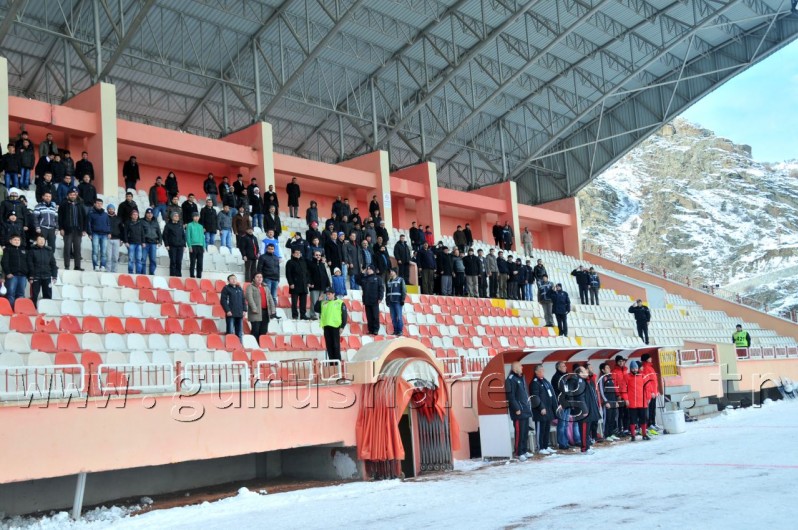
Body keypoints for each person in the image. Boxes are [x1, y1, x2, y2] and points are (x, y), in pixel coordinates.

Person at [505, 361, 533, 461]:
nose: (522, 367)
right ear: (515, 368)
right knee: (519, 432)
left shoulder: (521, 378)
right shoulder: (510, 379)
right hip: (518, 411)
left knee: (525, 432)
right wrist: (516, 408)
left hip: (525, 409)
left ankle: (524, 450)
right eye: (520, 366)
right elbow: (510, 396)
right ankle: (518, 452)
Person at [530, 365, 557, 455]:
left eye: (543, 370)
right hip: (540, 411)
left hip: (548, 409)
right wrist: (541, 407)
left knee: (546, 429)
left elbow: (551, 394)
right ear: (536, 372)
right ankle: (540, 447)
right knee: (540, 430)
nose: (543, 372)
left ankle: (545, 446)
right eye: (541, 370)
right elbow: (535, 397)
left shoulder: (545, 381)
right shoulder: (535, 382)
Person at [573, 365, 601, 454]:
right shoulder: (579, 381)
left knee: (587, 429)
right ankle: (584, 448)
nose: (586, 371)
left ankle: (587, 446)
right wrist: (584, 410)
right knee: (584, 430)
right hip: (584, 411)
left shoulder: (584, 381)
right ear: (580, 373)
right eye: (584, 370)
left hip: (588, 409)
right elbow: (580, 397)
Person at [57, 188, 86, 270]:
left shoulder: (80, 204)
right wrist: (61, 228)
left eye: (74, 195)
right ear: (68, 196)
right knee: (67, 248)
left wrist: (84, 229)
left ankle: (77, 266)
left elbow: (84, 217)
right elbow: (60, 218)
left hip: (78, 230)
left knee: (77, 249)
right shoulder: (63, 204)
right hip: (67, 230)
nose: (73, 196)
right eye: (71, 195)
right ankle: (67, 266)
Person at [315, 288, 348, 361]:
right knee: (329, 346)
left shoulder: (340, 302)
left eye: (329, 294)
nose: (328, 296)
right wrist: (318, 301)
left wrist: (342, 326)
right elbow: (316, 309)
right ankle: (331, 363)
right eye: (327, 294)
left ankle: (337, 362)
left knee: (336, 346)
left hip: (335, 327)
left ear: (333, 294)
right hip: (326, 327)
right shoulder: (324, 303)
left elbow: (344, 315)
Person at [27, 234, 57, 306]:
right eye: (39, 240)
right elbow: (29, 264)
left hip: (47, 276)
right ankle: (33, 309)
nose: (41, 241)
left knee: (48, 295)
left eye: (43, 240)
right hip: (35, 276)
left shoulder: (49, 251)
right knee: (34, 295)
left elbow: (53, 264)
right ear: (36, 241)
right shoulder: (32, 250)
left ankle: (47, 309)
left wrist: (54, 276)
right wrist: (30, 276)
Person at [245, 272, 275, 344]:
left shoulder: (266, 287)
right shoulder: (250, 287)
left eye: (261, 277)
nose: (259, 278)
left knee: (264, 330)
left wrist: (273, 309)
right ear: (254, 278)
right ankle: (254, 346)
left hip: (265, 312)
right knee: (255, 330)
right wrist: (254, 308)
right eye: (257, 277)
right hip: (256, 312)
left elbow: (270, 299)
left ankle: (261, 345)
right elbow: (249, 298)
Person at [625, 361, 651, 441]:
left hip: (642, 401)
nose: (634, 369)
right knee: (632, 419)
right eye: (633, 368)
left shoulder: (643, 376)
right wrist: (626, 399)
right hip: (632, 402)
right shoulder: (627, 377)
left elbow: (647, 388)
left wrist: (648, 397)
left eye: (636, 368)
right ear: (630, 369)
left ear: (638, 368)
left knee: (643, 418)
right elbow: (624, 389)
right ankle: (633, 435)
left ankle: (644, 434)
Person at [598, 362, 620, 442]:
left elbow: (614, 390)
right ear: (603, 370)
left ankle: (611, 433)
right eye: (607, 368)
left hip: (613, 401)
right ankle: (606, 434)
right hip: (607, 402)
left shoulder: (611, 377)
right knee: (607, 418)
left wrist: (616, 401)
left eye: (609, 367)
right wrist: (606, 401)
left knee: (612, 418)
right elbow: (601, 391)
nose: (609, 369)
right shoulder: (602, 379)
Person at [220, 274, 246, 343]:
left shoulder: (239, 288)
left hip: (239, 314)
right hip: (230, 314)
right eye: (232, 279)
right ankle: (230, 346)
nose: (234, 280)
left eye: (235, 278)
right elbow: (223, 301)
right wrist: (227, 310)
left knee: (239, 333)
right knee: (230, 332)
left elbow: (243, 300)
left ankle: (239, 346)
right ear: (228, 281)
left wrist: (244, 310)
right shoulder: (226, 288)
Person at [285, 248, 310, 320]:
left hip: (303, 285)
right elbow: (288, 274)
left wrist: (308, 282)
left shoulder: (303, 262)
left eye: (299, 253)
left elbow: (306, 273)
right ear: (293, 254)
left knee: (303, 302)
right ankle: (295, 315)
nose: (298, 254)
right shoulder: (290, 262)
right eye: (296, 253)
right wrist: (291, 283)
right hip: (294, 285)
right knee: (294, 302)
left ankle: (303, 315)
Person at [360, 265, 384, 335]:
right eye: (367, 269)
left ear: (373, 270)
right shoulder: (365, 278)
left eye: (369, 269)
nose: (368, 270)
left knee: (375, 316)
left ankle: (376, 330)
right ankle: (370, 330)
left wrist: (380, 298)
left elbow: (381, 289)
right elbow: (357, 280)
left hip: (375, 300)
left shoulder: (378, 278)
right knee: (369, 316)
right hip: (367, 300)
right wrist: (362, 273)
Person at [87, 198, 110, 271]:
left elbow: (108, 224)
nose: (99, 205)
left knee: (103, 252)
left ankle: (103, 266)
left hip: (104, 235)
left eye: (100, 204)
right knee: (95, 251)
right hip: (95, 234)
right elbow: (88, 224)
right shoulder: (91, 213)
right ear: (95, 204)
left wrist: (109, 232)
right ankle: (95, 266)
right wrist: (90, 233)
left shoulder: (105, 214)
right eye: (98, 203)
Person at [640, 353, 660, 435]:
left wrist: (656, 390)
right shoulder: (645, 368)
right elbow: (648, 382)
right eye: (649, 358)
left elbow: (654, 381)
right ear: (646, 359)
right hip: (650, 392)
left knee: (653, 408)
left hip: (654, 392)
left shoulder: (650, 367)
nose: (651, 358)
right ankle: (650, 423)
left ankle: (653, 422)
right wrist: (651, 392)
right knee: (650, 409)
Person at [307, 251, 330, 320]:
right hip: (314, 286)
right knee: (314, 301)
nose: (318, 256)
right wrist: (310, 283)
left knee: (323, 302)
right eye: (316, 255)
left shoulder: (322, 264)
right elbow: (308, 275)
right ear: (313, 256)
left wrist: (328, 285)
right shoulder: (310, 264)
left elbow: (325, 275)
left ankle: (321, 315)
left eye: (319, 255)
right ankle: (313, 315)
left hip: (323, 286)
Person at [162, 211, 186, 277]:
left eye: (178, 216)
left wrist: (184, 245)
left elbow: (183, 236)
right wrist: (166, 245)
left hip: (180, 246)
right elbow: (165, 235)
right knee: (173, 261)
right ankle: (172, 276)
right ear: (172, 217)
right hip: (172, 246)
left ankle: (178, 276)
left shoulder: (180, 225)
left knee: (179, 262)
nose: (177, 217)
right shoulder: (168, 225)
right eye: (175, 216)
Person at [257, 243, 280, 307]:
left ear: (274, 250)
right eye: (269, 249)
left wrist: (278, 279)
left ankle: (274, 312)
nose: (270, 250)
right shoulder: (262, 257)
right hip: (267, 278)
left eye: (272, 249)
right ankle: (267, 312)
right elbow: (259, 268)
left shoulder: (276, 257)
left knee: (274, 296)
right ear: (266, 249)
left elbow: (278, 268)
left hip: (275, 279)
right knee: (267, 296)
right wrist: (261, 279)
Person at [611, 355, 630, 436]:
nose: (621, 362)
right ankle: (620, 429)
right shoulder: (614, 371)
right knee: (620, 414)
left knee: (627, 412)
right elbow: (614, 384)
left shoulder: (626, 370)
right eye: (619, 361)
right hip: (620, 395)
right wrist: (617, 394)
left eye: (622, 361)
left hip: (627, 394)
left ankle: (626, 428)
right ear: (617, 362)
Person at [385, 269, 406, 336]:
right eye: (390, 271)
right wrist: (387, 301)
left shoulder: (400, 280)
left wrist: (402, 300)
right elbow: (387, 292)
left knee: (399, 317)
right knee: (393, 317)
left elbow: (404, 290)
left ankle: (400, 331)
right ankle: (395, 330)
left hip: (398, 301)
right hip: (391, 302)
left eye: (392, 271)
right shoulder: (388, 281)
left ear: (395, 272)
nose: (390, 272)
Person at [141, 208, 162, 275]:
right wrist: (142, 242)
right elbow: (140, 232)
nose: (150, 214)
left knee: (153, 260)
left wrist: (160, 241)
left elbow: (159, 232)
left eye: (151, 213)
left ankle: (152, 273)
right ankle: (143, 274)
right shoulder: (142, 221)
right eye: (148, 213)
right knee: (143, 259)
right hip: (145, 243)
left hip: (153, 243)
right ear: (146, 214)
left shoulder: (155, 222)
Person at [186, 211, 205, 278]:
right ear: (193, 217)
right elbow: (188, 236)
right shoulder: (189, 225)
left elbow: (203, 237)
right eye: (195, 216)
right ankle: (192, 275)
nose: (196, 218)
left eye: (197, 216)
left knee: (200, 262)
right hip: (193, 245)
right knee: (193, 262)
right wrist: (189, 246)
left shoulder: (201, 226)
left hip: (200, 246)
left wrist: (204, 246)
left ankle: (199, 276)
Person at [107, 204, 123, 273]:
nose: (111, 210)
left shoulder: (118, 218)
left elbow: (122, 229)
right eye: (109, 209)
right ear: (107, 210)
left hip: (117, 239)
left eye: (112, 209)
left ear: (114, 209)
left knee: (115, 257)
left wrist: (122, 239)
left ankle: (114, 271)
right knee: (108, 257)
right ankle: (108, 271)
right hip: (108, 239)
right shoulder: (105, 217)